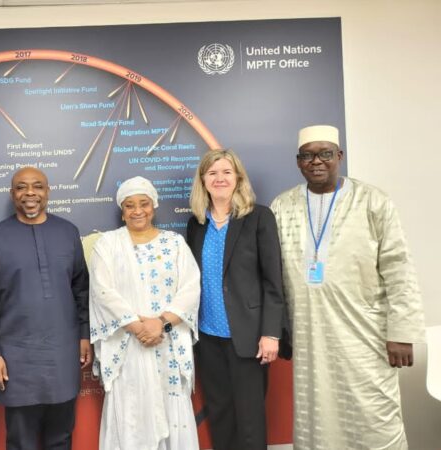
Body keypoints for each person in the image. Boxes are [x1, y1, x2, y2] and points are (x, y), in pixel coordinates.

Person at [270, 125, 426, 449]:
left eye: (325, 153)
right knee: (318, 418)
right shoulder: (281, 207)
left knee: (374, 417)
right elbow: (272, 277)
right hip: (309, 336)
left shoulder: (373, 201)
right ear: (298, 162)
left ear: (339, 156)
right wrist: (279, 329)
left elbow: (399, 268)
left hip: (364, 333)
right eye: (308, 155)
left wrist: (402, 332)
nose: (317, 161)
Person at [0, 166, 91, 450]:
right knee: (21, 442)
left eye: (37, 186)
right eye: (22, 187)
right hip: (15, 358)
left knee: (61, 439)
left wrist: (84, 335)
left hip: (62, 354)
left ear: (47, 192)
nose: (30, 193)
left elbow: (81, 289)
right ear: (12, 194)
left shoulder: (68, 232)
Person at [89, 176, 201, 450]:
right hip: (129, 345)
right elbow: (103, 292)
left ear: (154, 206)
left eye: (144, 204)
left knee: (170, 404)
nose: (137, 211)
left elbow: (190, 288)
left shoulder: (174, 243)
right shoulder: (107, 244)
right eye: (130, 205)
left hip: (167, 342)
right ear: (122, 210)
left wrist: (161, 324)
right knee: (131, 406)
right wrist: (139, 328)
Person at [185, 150, 285, 450]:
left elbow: (273, 281)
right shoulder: (196, 224)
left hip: (248, 337)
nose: (220, 178)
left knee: (250, 418)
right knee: (220, 414)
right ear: (203, 181)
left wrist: (270, 333)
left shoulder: (258, 217)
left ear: (238, 178)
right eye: (212, 173)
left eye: (226, 172)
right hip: (208, 336)